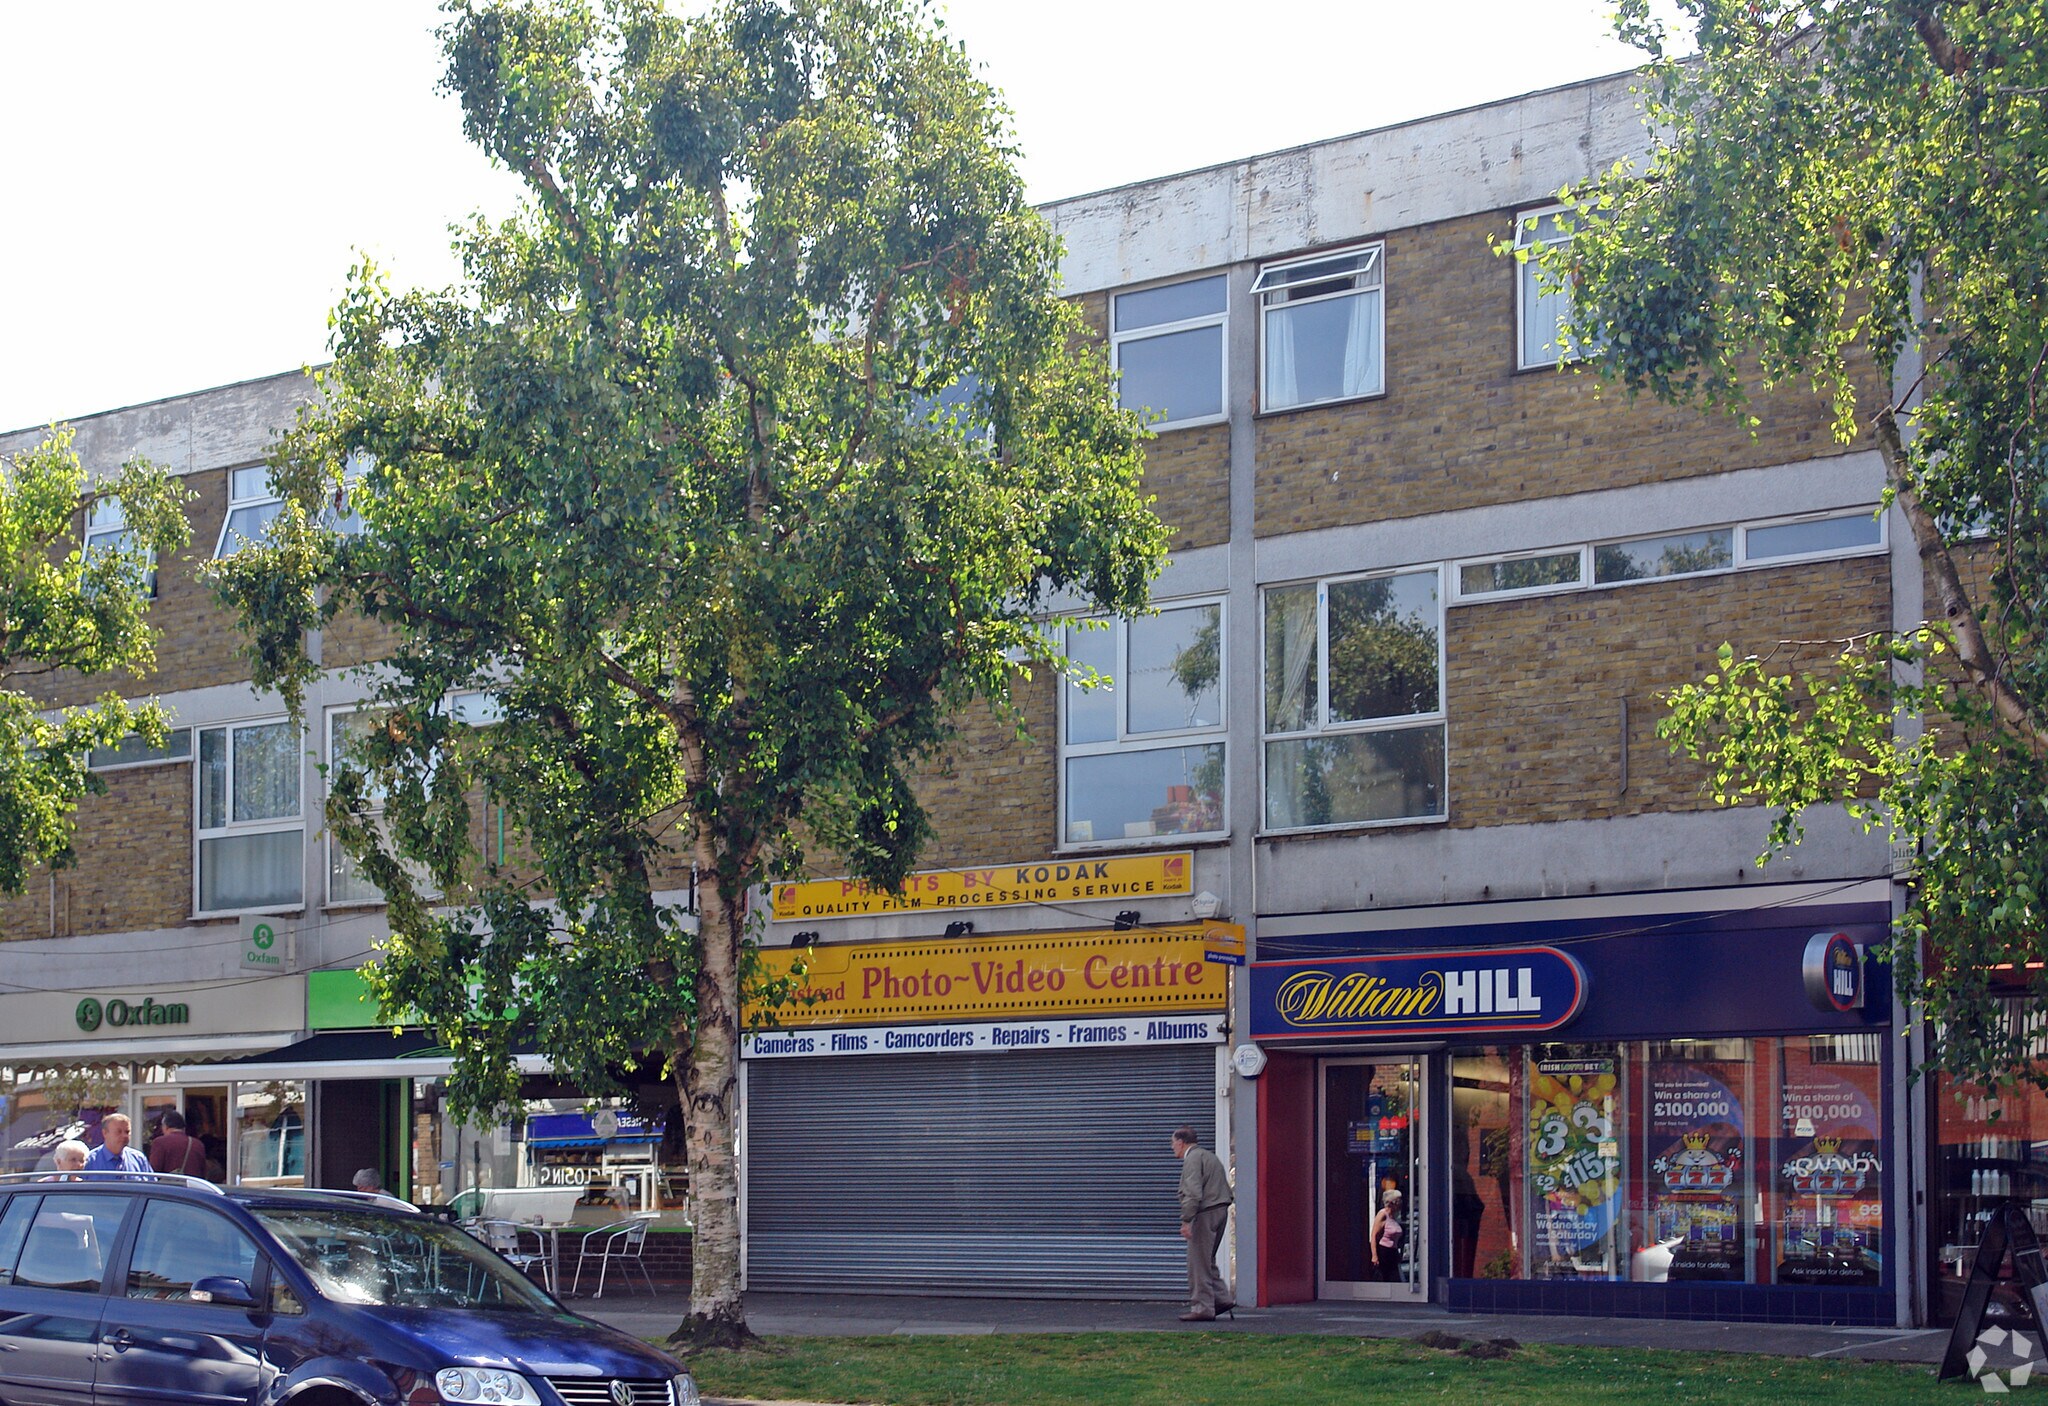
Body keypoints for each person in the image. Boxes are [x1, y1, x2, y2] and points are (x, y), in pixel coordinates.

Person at [1172, 1124, 1234, 1322]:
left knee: (1197, 1263)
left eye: (1173, 1143)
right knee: (1207, 1259)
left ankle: (1202, 1307)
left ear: (1181, 1143)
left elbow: (1193, 1192)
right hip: (1220, 1210)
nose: (1172, 1147)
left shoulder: (1192, 1159)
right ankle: (1221, 1299)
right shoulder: (1209, 1156)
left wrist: (1187, 1220)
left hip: (1204, 1213)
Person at [84, 1112, 152, 1174]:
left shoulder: (139, 1159)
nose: (124, 1136)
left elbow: (151, 1185)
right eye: (119, 1132)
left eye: (127, 1132)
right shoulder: (89, 1161)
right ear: (105, 1133)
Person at [147, 1108, 207, 1176]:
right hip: (193, 1185)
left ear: (165, 1126)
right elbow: (203, 1172)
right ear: (183, 1127)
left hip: (170, 1185)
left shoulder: (160, 1142)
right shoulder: (198, 1144)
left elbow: (153, 1171)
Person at [1371, 1188, 1406, 1282]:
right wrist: (1374, 1256)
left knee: (1396, 1279)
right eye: (1399, 1201)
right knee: (1387, 1278)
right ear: (1392, 1202)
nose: (1401, 1203)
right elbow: (1374, 1235)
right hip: (1384, 1252)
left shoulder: (1394, 1216)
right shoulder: (1383, 1214)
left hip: (1393, 1252)